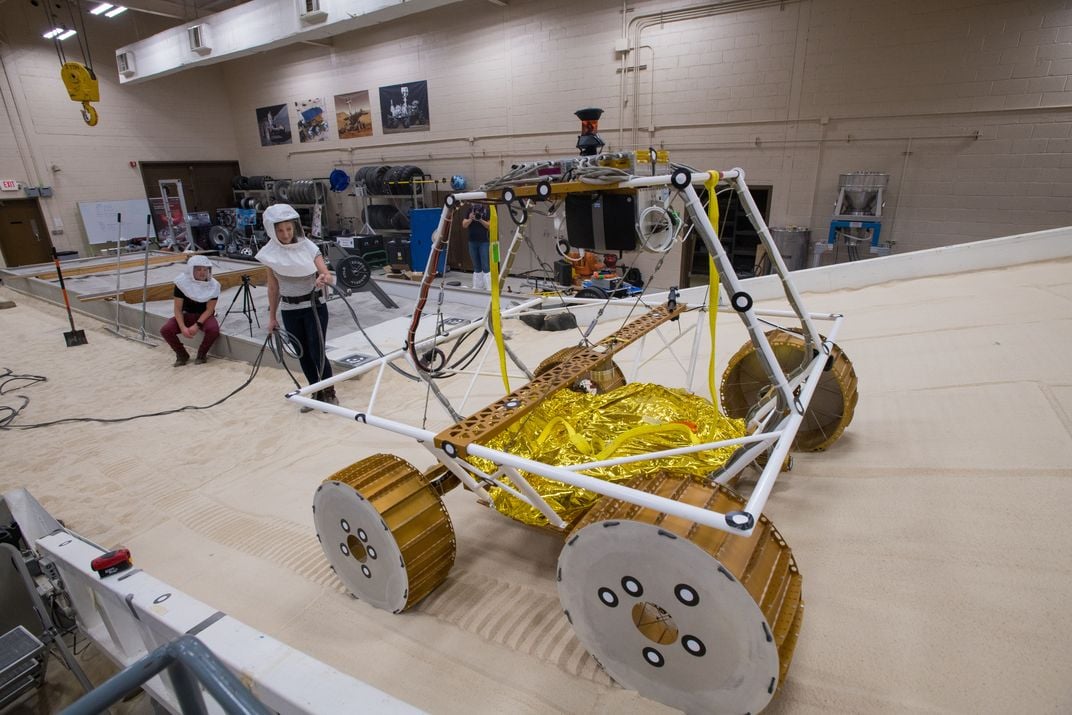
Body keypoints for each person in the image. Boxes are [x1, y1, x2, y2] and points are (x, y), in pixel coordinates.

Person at [256, 204, 338, 410]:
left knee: (317, 350)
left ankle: (329, 392)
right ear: (272, 231)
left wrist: (323, 278)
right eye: (280, 230)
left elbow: (326, 274)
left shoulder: (308, 247)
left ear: (295, 227)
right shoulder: (270, 254)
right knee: (302, 352)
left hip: (314, 306)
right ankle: (316, 392)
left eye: (289, 229)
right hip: (290, 310)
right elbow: (273, 287)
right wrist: (272, 317)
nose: (285, 234)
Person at [161, 255, 221, 366]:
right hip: (186, 315)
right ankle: (182, 354)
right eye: (198, 269)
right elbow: (177, 309)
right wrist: (183, 327)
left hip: (204, 316)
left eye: (205, 269)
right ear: (191, 270)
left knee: (213, 330)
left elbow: (209, 310)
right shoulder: (181, 283)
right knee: (166, 330)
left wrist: (197, 325)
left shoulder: (214, 286)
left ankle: (201, 354)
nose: (202, 272)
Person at [462, 203, 491, 289]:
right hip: (472, 241)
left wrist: (480, 219)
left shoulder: (486, 211)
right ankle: (478, 286)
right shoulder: (469, 210)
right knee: (476, 265)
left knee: (485, 265)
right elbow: (464, 225)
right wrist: (471, 218)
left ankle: (489, 287)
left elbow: (489, 226)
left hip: (484, 242)